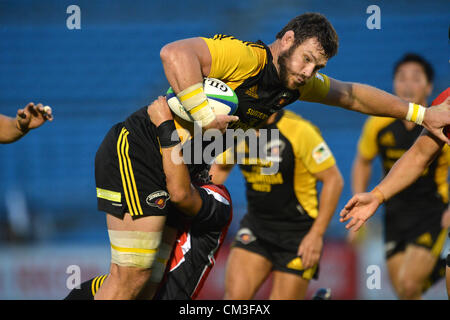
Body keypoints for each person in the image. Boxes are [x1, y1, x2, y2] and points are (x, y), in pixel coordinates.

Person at [160, 13, 449, 142]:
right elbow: (174, 53)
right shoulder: (246, 58)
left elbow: (353, 96)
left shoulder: (298, 81)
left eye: (318, 67)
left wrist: (421, 114)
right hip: (147, 146)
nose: (309, 72)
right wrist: (205, 118)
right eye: (307, 59)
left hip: (183, 161)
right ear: (287, 40)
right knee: (136, 266)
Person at [65, 97, 233, 300]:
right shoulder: (186, 197)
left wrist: (165, 125)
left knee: (130, 279)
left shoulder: (219, 200)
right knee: (130, 279)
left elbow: (180, 193)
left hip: (166, 294)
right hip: (158, 291)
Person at [210, 110, 343, 299]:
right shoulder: (238, 129)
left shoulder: (299, 130)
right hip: (256, 227)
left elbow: (334, 180)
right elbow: (219, 169)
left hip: (297, 235)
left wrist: (317, 234)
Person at [348, 55, 449, 299]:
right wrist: (365, 199)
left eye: (415, 79)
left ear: (428, 87)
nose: (407, 85)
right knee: (404, 291)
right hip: (395, 214)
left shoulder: (442, 119)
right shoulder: (378, 125)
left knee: (409, 282)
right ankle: (440, 270)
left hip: (432, 212)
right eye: (401, 78)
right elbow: (362, 162)